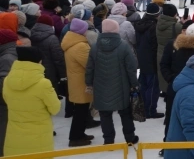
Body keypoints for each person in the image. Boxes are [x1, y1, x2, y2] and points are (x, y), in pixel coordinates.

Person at [85, 19, 140, 145]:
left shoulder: (95, 47)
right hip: (121, 86)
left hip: (100, 87)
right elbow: (131, 68)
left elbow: (90, 68)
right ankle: (130, 138)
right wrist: (134, 84)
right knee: (125, 113)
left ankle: (108, 140)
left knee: (105, 114)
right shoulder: (124, 46)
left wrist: (89, 83)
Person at [2, 46, 59, 156]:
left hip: (14, 136)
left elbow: (7, 100)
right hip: (39, 136)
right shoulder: (43, 84)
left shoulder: (7, 80)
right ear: (38, 61)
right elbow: (55, 108)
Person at [62, 18, 95, 147]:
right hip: (81, 83)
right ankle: (75, 137)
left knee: (81, 110)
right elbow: (89, 64)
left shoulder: (72, 42)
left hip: (76, 81)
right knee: (80, 112)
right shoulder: (80, 45)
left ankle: (80, 134)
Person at [136, 3, 163, 119]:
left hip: (142, 57)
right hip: (151, 59)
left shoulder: (139, 24)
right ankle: (150, 110)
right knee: (153, 86)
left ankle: (142, 107)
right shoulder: (154, 27)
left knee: (143, 84)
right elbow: (154, 46)